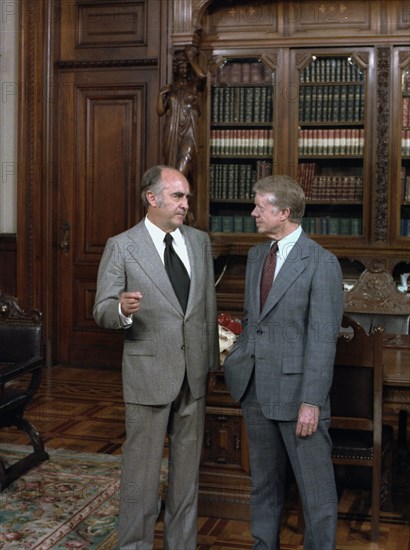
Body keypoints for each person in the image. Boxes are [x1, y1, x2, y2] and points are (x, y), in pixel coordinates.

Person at [93, 165, 219, 550]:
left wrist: (211, 364)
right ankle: (134, 544)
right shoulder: (122, 245)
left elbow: (207, 309)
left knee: (186, 477)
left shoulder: (199, 241)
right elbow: (101, 309)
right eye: (178, 196)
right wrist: (124, 309)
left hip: (193, 376)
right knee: (141, 477)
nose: (186, 205)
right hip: (148, 375)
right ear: (153, 198)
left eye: (186, 198)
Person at [223, 175, 344, 550]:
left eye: (261, 206)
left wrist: (312, 402)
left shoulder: (321, 262)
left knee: (316, 493)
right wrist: (238, 362)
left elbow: (323, 341)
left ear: (285, 212)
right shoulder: (258, 255)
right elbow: (252, 321)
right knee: (264, 485)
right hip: (255, 391)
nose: (253, 212)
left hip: (298, 398)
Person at [157, 46, 206, 182]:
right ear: (176, 69)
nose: (184, 70)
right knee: (170, 165)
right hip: (172, 131)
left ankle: (177, 196)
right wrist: (161, 94)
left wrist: (191, 59)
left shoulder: (194, 87)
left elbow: (202, 76)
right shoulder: (171, 89)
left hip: (190, 131)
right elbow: (160, 111)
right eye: (181, 67)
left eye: (186, 67)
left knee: (184, 164)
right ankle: (177, 199)